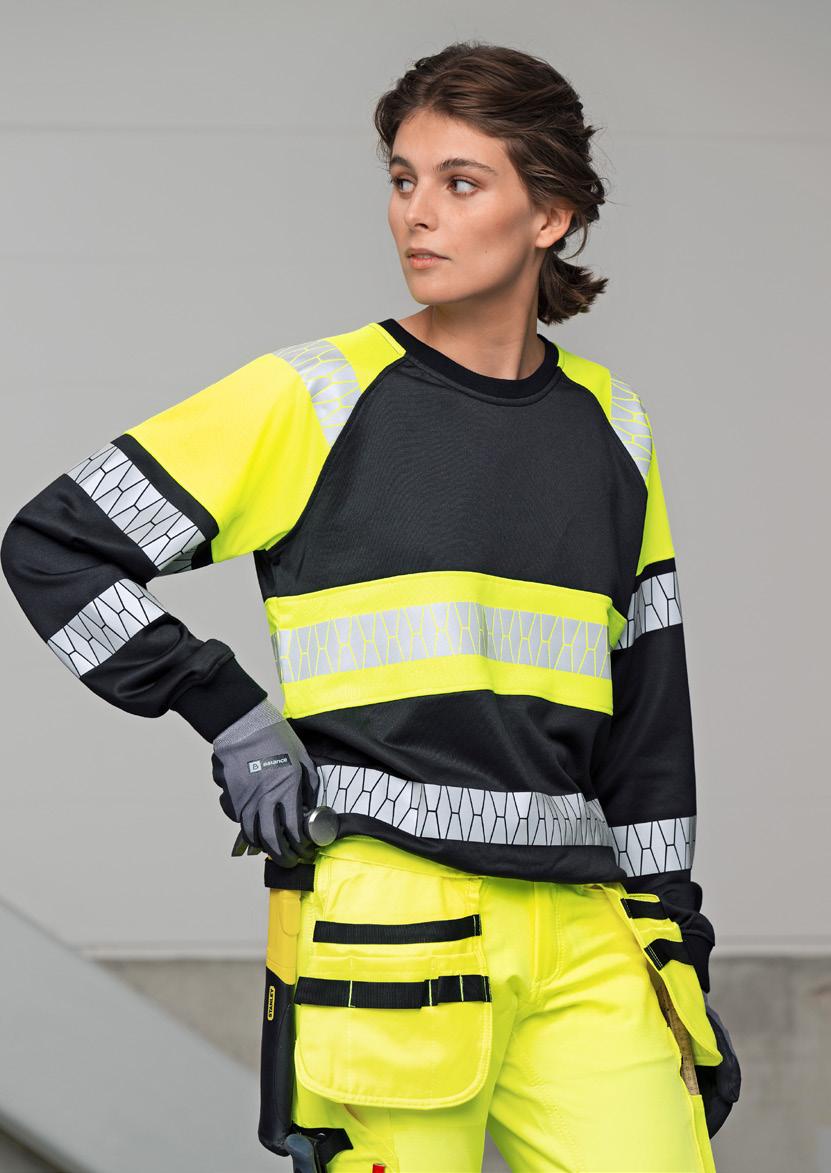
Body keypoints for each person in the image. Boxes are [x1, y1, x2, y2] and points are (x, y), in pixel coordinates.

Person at [1, 39, 740, 1173]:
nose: (415, 214)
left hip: (588, 929)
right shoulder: (316, 395)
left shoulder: (613, 423)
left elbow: (647, 714)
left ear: (550, 215)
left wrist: (673, 935)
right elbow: (53, 544)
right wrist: (229, 712)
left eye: (460, 182)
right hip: (391, 921)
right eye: (402, 179)